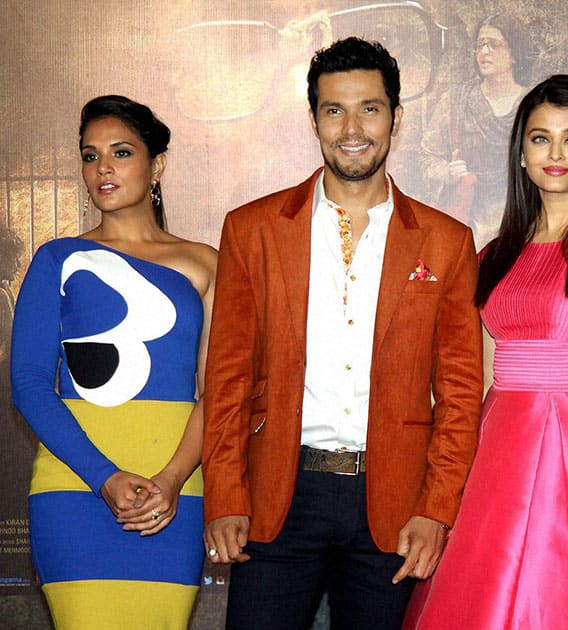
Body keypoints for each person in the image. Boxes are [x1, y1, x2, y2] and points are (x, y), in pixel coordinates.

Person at [201, 37, 483, 630]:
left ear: (396, 118)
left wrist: (436, 508)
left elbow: (460, 393)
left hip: (395, 507)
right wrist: (225, 495)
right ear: (314, 120)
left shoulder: (446, 241)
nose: (352, 127)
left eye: (370, 108)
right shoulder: (251, 229)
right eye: (334, 110)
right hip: (277, 498)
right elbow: (227, 377)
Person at [404, 74, 568, 629]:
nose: (556, 154)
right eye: (540, 138)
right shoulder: (494, 254)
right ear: (521, 152)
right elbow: (471, 381)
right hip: (495, 454)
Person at [10, 95, 217, 629]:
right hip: (74, 491)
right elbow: (30, 384)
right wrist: (103, 478)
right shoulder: (55, 258)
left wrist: (170, 481)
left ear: (157, 165)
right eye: (89, 155)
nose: (102, 167)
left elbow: (218, 389)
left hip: (174, 493)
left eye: (121, 152)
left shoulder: (206, 263)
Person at [420, 13, 533, 248]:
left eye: (494, 45)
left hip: (522, 216)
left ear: (514, 53)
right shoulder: (456, 101)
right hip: (467, 215)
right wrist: (446, 173)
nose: (484, 52)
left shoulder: (533, 104)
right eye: (480, 45)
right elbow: (427, 157)